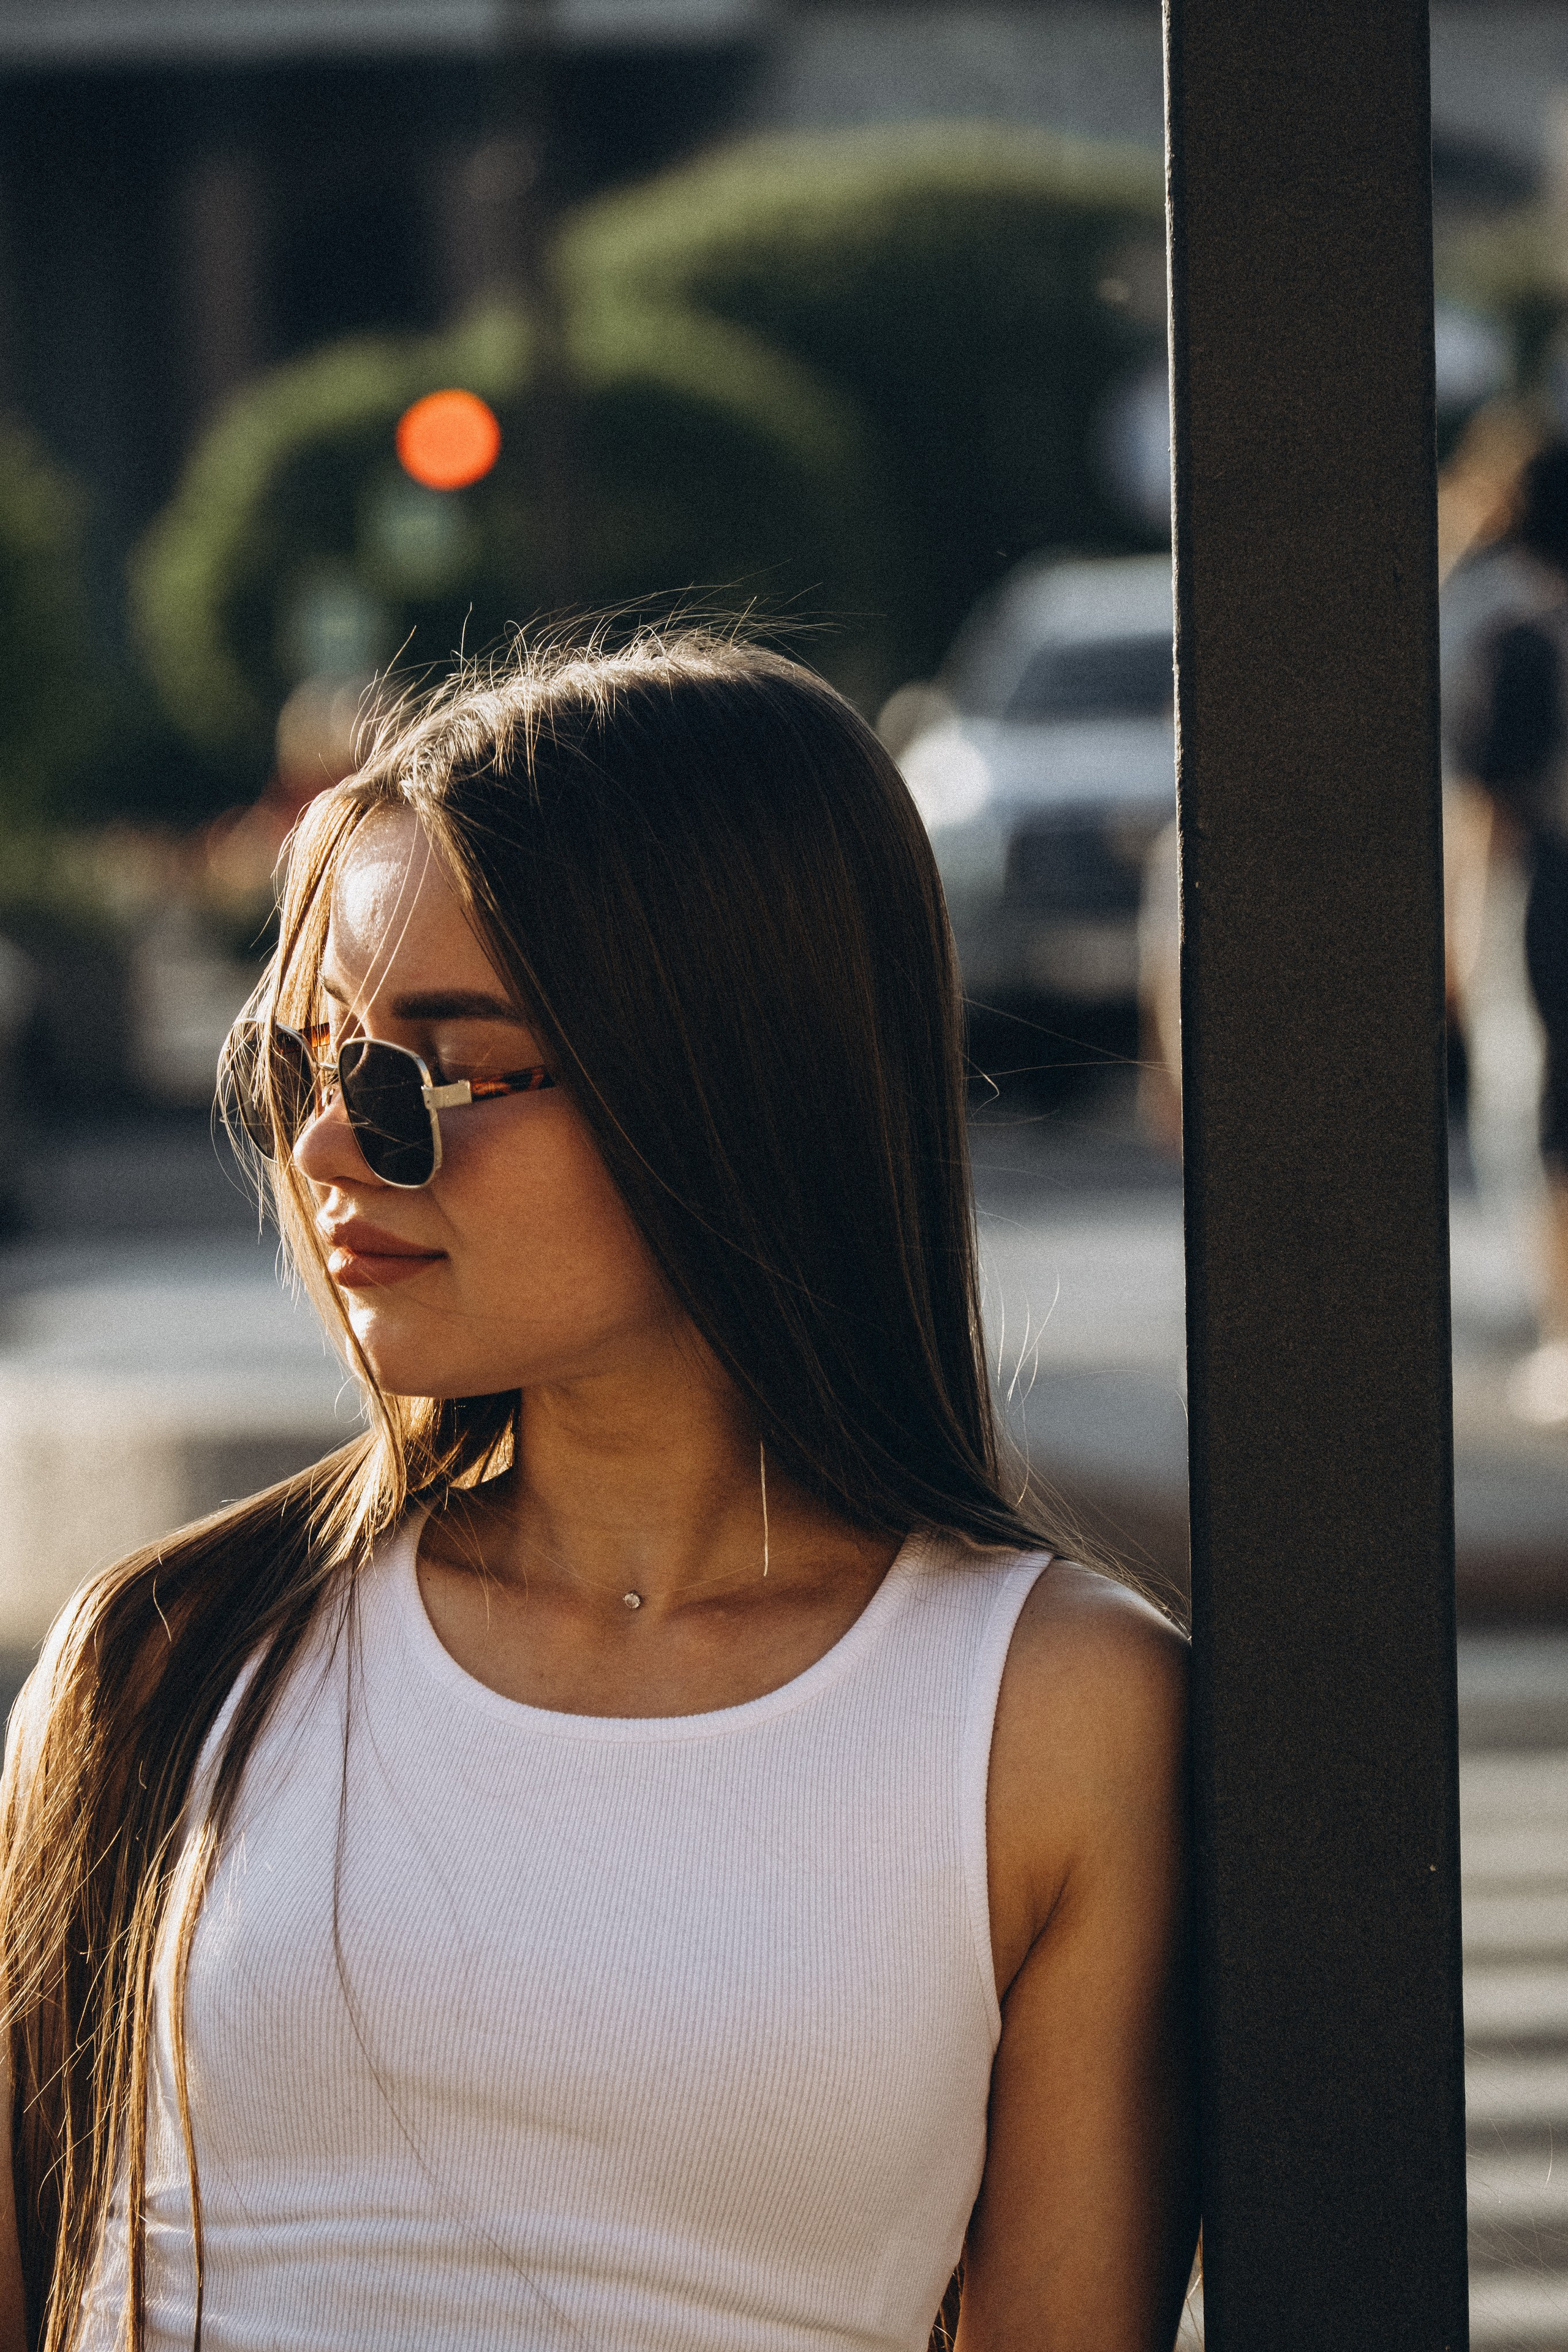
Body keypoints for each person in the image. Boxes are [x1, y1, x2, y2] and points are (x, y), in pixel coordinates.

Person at [0, 630, 1195, 2352]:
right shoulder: (174, 1654)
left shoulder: (1052, 1720)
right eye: (308, 1069)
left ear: (724, 1080)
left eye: (428, 1075)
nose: (333, 1153)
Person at [1447, 440, 1568, 1423]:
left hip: (1550, 892)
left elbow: (1492, 812)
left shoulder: (1516, 638)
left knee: (1543, 1107)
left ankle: (1565, 1328)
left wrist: (1465, 934)